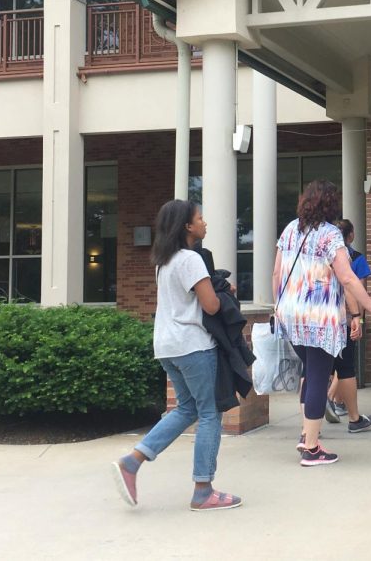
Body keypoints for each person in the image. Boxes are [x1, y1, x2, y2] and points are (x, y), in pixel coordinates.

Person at [112, 200, 241, 511]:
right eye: (200, 218)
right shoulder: (191, 260)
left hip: (167, 346)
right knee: (210, 413)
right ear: (187, 226)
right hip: (192, 345)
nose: (205, 223)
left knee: (186, 409)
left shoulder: (164, 261)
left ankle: (133, 460)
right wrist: (226, 293)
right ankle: (203, 490)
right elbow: (210, 306)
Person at [274, 181, 371, 466]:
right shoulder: (330, 235)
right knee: (318, 378)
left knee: (311, 374)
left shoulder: (289, 230)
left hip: (290, 315)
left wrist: (279, 305)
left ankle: (305, 433)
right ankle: (311, 448)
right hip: (319, 318)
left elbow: (276, 273)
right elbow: (348, 278)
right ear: (330, 205)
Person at [322, 219, 371, 433]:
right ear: (351, 235)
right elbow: (356, 288)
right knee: (346, 366)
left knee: (331, 364)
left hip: (322, 317)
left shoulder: (324, 254)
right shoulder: (356, 258)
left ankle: (330, 400)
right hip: (346, 316)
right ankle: (338, 405)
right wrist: (359, 317)